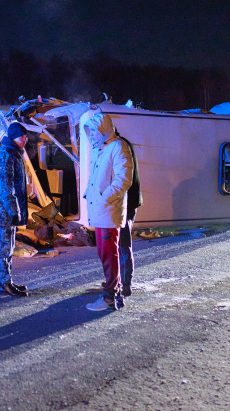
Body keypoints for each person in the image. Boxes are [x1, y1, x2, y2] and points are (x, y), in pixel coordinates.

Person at [82, 112, 133, 311]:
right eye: (90, 132)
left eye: (94, 131)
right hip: (101, 210)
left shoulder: (118, 147)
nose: (91, 135)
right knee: (106, 254)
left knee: (110, 255)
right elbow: (96, 177)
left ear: (103, 130)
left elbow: (123, 180)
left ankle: (110, 296)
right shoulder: (101, 149)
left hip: (109, 211)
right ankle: (114, 292)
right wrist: (89, 193)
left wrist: (103, 198)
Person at [0, 122, 30, 297]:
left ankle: (7, 281)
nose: (25, 139)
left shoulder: (13, 154)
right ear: (14, 138)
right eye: (22, 136)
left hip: (5, 211)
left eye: (25, 136)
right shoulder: (5, 155)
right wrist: (13, 211)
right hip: (2, 211)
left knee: (8, 247)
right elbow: (4, 188)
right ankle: (4, 283)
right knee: (4, 248)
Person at [115, 129, 142, 304]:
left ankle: (125, 283)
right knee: (118, 245)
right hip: (124, 202)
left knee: (123, 244)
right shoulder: (122, 144)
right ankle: (119, 280)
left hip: (125, 203)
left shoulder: (120, 147)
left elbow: (122, 179)